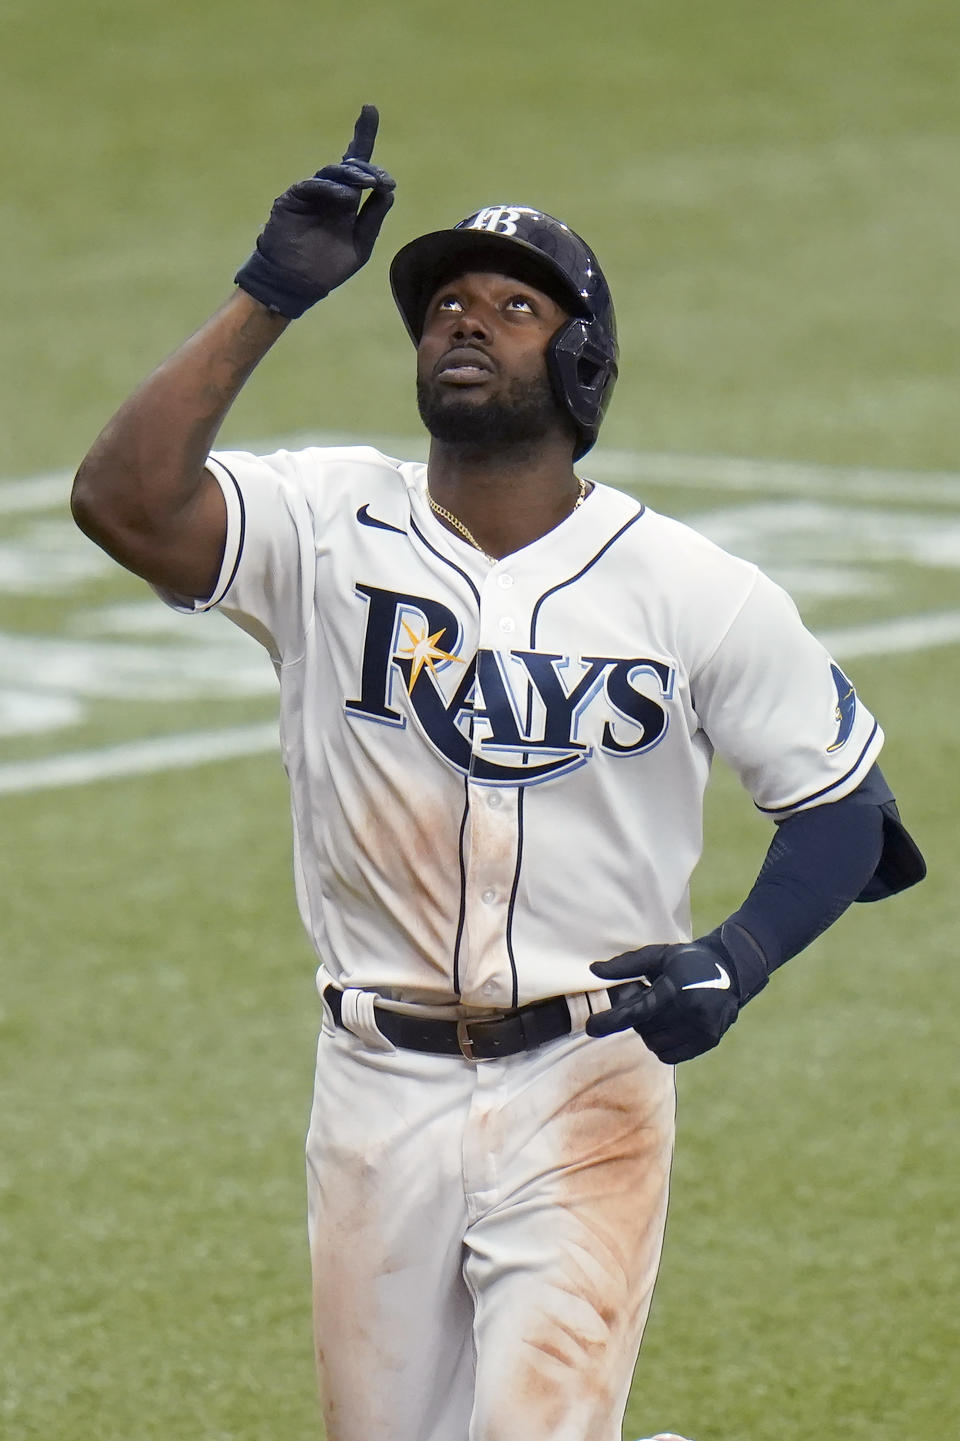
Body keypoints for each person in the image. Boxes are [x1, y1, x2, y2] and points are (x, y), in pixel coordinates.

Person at [71, 105, 925, 1441]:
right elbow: (121, 502)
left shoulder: (692, 588)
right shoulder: (323, 524)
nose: (465, 321)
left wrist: (738, 956)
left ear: (582, 360)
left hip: (584, 1081)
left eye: (514, 306)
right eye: (444, 306)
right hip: (374, 1082)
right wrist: (268, 295)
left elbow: (842, 809)